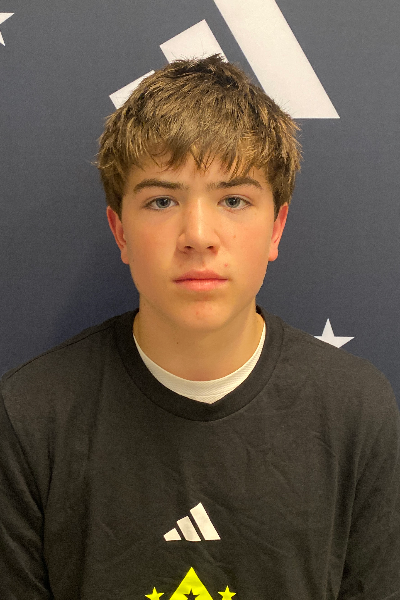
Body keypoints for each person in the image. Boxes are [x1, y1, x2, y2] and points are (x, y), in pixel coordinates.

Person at [0, 54, 399, 600]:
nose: (198, 235)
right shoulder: (29, 417)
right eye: (162, 200)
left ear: (276, 228)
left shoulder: (356, 410)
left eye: (234, 200)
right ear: (120, 231)